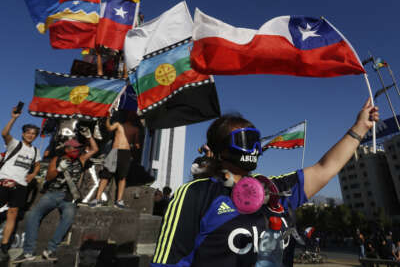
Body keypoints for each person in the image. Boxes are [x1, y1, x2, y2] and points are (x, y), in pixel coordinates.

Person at [151, 98, 379, 267]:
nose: (253, 148)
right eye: (244, 140)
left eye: (255, 141)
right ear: (220, 148)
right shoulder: (194, 193)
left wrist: (360, 127)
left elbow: (324, 168)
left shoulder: (274, 190)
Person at [13, 136, 98, 263]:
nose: (76, 150)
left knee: (68, 219)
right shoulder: (56, 159)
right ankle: (28, 252)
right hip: (53, 194)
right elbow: (48, 177)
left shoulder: (81, 160)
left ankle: (51, 249)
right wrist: (58, 169)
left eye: (78, 148)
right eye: (74, 148)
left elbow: (95, 149)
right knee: (33, 216)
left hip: (69, 197)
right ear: (67, 149)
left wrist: (89, 136)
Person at [0, 107, 41, 262]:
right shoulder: (14, 144)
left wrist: (33, 174)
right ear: (23, 134)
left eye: (33, 134)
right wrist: (14, 118)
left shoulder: (36, 151)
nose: (30, 135)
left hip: (20, 185)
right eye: (28, 132)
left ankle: (4, 246)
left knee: (13, 214)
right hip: (4, 181)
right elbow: (4, 133)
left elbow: (37, 164)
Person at [89, 111, 140, 209]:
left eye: (133, 115)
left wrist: (135, 147)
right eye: (130, 114)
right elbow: (109, 128)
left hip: (126, 153)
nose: (132, 115)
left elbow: (137, 144)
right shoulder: (118, 125)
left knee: (122, 177)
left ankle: (119, 201)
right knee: (105, 176)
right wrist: (108, 118)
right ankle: (97, 198)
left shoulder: (136, 129)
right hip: (114, 151)